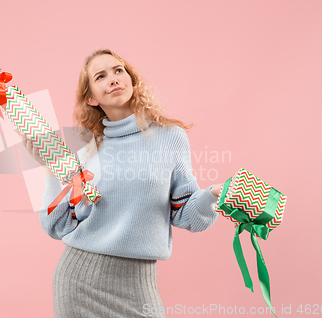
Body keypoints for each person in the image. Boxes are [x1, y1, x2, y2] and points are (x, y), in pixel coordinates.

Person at [18, 48, 223, 318]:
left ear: (132, 80)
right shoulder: (87, 150)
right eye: (100, 76)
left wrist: (213, 194)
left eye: (118, 70)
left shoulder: (170, 137)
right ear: (91, 97)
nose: (113, 79)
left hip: (140, 286)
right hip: (79, 281)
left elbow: (186, 214)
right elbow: (57, 225)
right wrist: (48, 169)